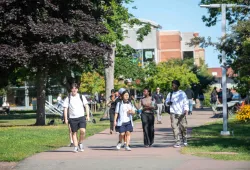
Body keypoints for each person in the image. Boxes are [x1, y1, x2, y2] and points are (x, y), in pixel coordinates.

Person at [63, 83, 90, 153]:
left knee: (83, 131)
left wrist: (88, 115)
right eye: (73, 88)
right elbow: (65, 108)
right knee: (74, 133)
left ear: (77, 89)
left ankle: (80, 143)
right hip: (72, 118)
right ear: (71, 89)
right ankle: (75, 147)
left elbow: (86, 106)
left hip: (81, 117)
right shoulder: (68, 98)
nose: (74, 89)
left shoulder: (81, 97)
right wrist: (65, 118)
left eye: (75, 88)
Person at [165, 80, 189, 148]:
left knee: (183, 127)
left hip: (181, 113)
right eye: (172, 85)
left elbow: (185, 102)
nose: (173, 86)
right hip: (173, 113)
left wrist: (186, 109)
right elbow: (166, 102)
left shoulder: (182, 93)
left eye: (174, 85)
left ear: (178, 85)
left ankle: (185, 140)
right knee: (174, 127)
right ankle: (177, 142)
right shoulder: (170, 93)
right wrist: (168, 103)